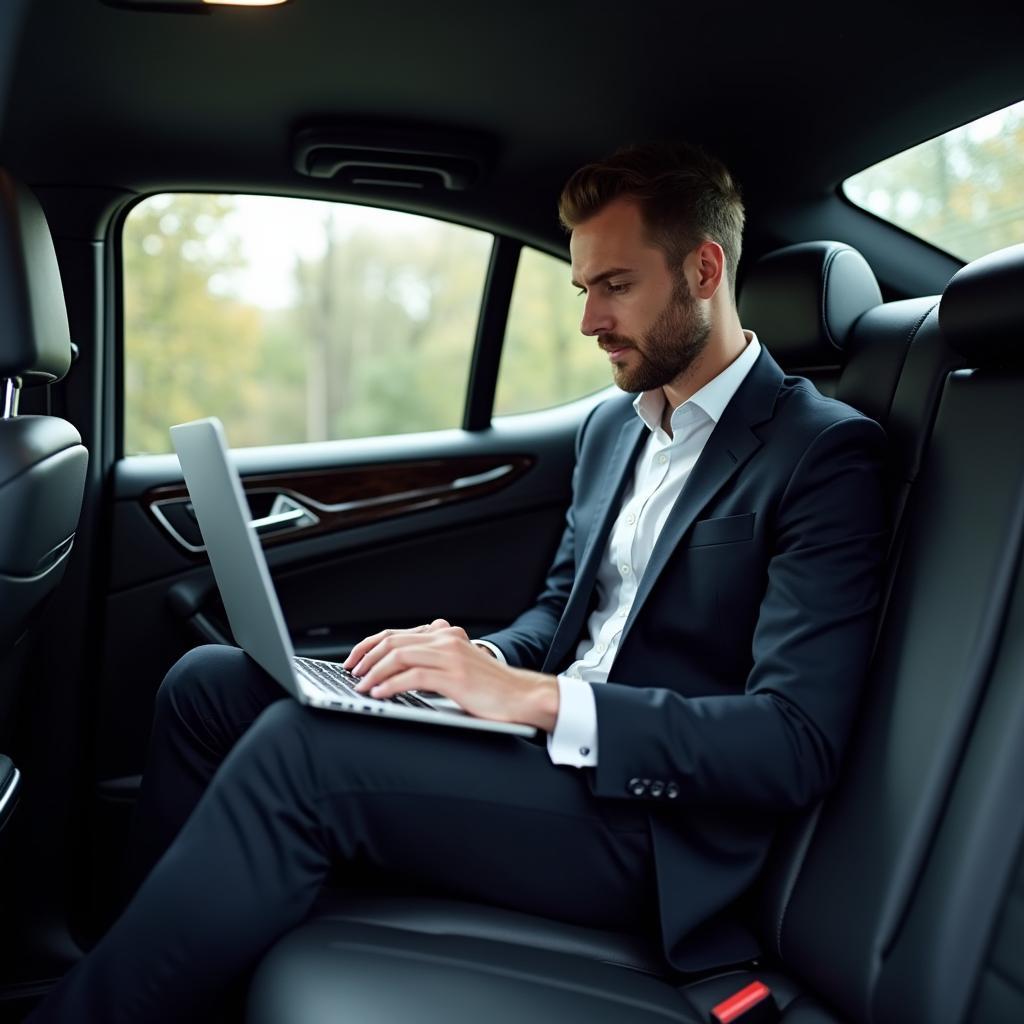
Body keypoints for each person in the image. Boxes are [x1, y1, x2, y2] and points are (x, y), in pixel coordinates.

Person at [29, 143, 887, 1023]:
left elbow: (792, 743)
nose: (590, 321)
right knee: (207, 686)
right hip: (543, 762)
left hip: (651, 831)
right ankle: (143, 973)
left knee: (301, 753)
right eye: (582, 289)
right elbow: (564, 614)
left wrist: (533, 699)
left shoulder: (820, 453)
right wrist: (469, 663)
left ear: (704, 270)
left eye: (616, 286)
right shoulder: (613, 430)